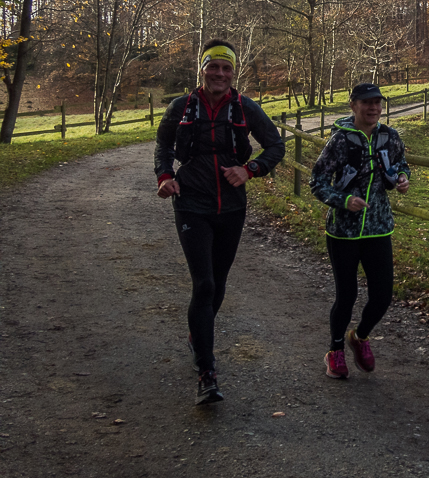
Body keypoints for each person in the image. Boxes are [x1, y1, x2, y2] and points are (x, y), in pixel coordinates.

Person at [154, 39, 284, 405]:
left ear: (233, 73)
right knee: (205, 283)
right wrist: (165, 177)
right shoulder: (181, 107)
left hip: (231, 207)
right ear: (203, 70)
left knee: (220, 282)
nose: (220, 74)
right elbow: (163, 145)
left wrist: (251, 169)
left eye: (227, 68)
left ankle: (199, 334)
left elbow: (275, 145)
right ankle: (206, 372)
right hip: (191, 204)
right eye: (214, 67)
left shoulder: (244, 107)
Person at [309, 82, 410, 379]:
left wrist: (402, 178)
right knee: (347, 295)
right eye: (367, 103)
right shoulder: (340, 142)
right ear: (353, 105)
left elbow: (401, 165)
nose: (373, 108)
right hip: (343, 231)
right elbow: (318, 182)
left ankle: (360, 337)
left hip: (379, 228)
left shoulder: (390, 137)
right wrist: (343, 201)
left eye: (377, 103)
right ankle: (335, 350)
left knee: (382, 296)